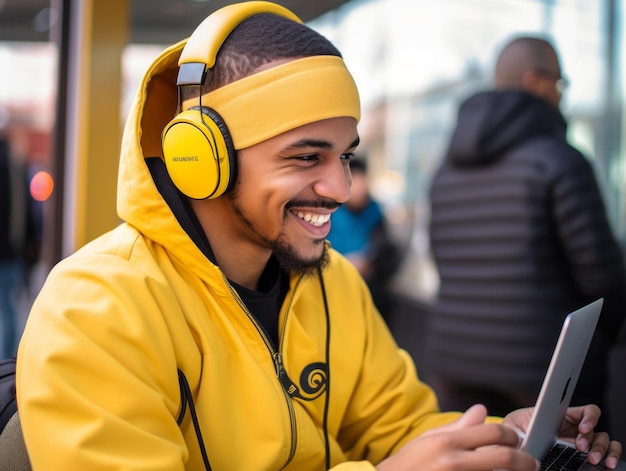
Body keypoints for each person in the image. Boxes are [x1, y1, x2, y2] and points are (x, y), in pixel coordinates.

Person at [16, 6, 622, 470]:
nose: (339, 185)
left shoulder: (333, 282)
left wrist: (494, 436)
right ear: (200, 160)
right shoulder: (95, 308)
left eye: (345, 155)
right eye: (307, 156)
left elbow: (399, 426)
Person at [427, 35, 626, 430]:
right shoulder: (560, 160)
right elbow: (600, 276)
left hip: (455, 367)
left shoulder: (446, 169)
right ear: (537, 80)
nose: (561, 94)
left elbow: (442, 258)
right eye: (559, 83)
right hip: (545, 373)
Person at [326, 157, 401, 322]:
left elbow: (387, 253)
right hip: (334, 290)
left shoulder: (375, 213)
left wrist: (370, 262)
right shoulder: (328, 214)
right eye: (354, 182)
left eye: (363, 181)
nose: (360, 189)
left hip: (369, 291)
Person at [0, 134, 40, 359]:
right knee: (8, 308)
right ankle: (7, 363)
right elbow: (27, 211)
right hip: (11, 250)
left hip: (10, 250)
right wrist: (31, 244)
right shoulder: (16, 166)